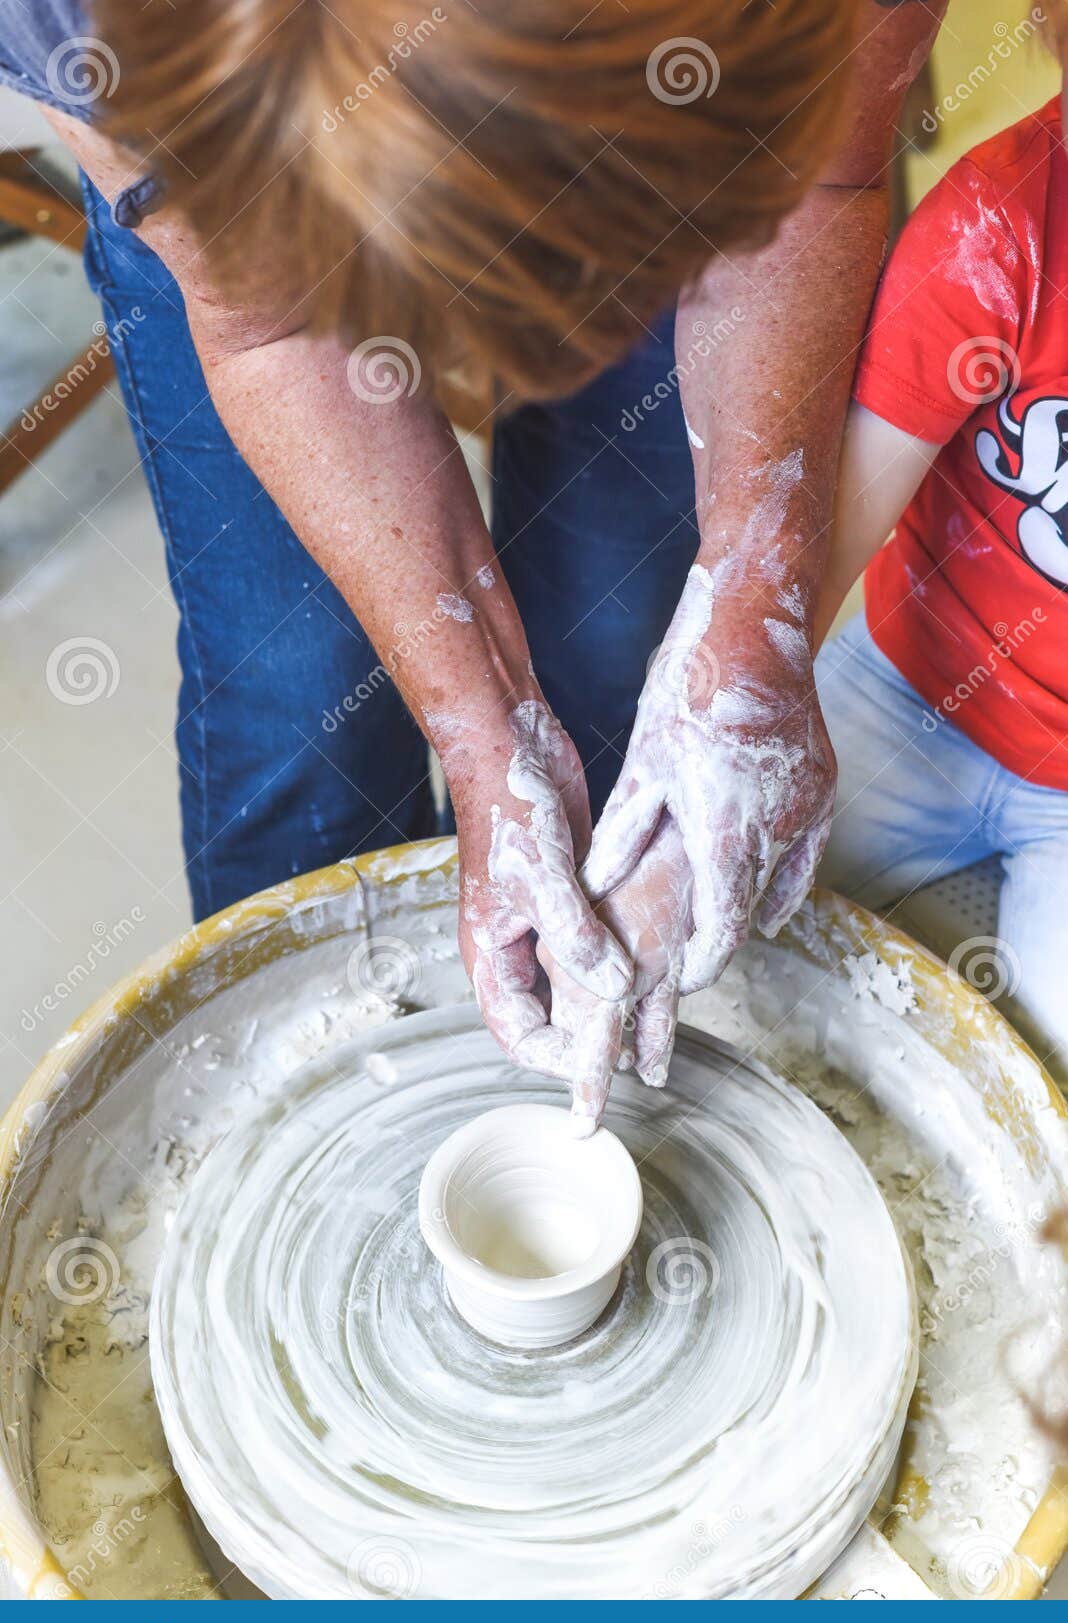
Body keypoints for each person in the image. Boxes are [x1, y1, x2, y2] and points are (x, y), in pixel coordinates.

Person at [2, 1, 944, 1123]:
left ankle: (589, 1047)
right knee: (298, 688)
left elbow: (817, 184)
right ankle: (323, 1116)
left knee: (619, 641)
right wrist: (480, 730)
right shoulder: (98, 22)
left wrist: (755, 602)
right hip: (227, 156)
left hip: (687, 111)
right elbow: (268, 328)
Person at [815, 7, 1068, 1085]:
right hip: (911, 689)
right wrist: (729, 716)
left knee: (1044, 1086)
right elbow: (828, 541)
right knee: (722, 920)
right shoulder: (1000, 222)